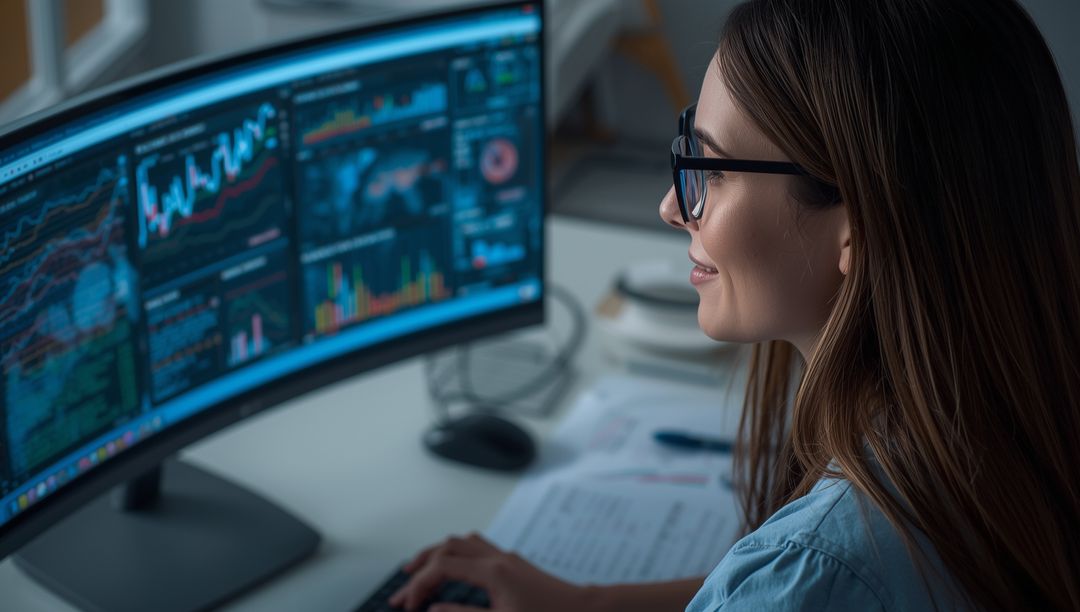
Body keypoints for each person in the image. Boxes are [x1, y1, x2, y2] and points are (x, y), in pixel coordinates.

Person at [388, 0, 1080, 609]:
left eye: (711, 172)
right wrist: (590, 603)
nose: (670, 207)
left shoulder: (822, 562)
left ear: (857, 226)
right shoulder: (1007, 424)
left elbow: (807, 582)